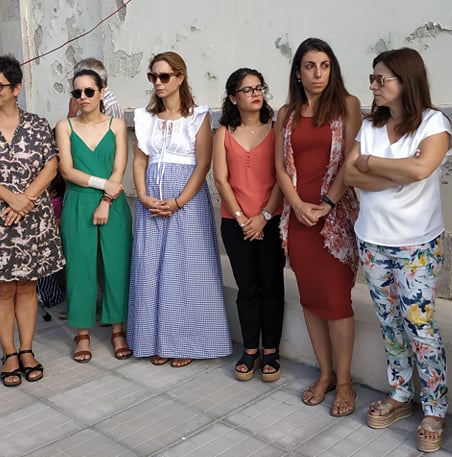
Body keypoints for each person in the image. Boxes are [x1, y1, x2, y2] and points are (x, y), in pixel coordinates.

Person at [344, 48, 452, 452]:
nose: (373, 86)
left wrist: (371, 163)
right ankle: (400, 394)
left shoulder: (432, 123)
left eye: (381, 79)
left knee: (420, 326)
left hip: (416, 243)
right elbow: (349, 174)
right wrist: (397, 171)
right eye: (372, 78)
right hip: (373, 240)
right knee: (389, 323)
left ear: (405, 81)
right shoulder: (370, 125)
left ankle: (435, 408)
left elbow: (422, 169)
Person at [0, 55, 64, 387]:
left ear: (16, 88)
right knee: (3, 288)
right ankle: (8, 352)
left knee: (28, 285)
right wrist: (11, 198)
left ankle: (27, 349)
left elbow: (51, 165)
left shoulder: (37, 124)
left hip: (32, 216)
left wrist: (26, 199)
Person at [275, 37, 361, 416]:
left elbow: (351, 162)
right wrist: (296, 205)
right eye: (310, 66)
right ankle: (325, 374)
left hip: (335, 217)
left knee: (338, 302)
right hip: (298, 218)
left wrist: (326, 204)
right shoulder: (286, 113)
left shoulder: (347, 105)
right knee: (310, 299)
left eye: (325, 65)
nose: (318, 73)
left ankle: (344, 382)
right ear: (298, 71)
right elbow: (280, 167)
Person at [128, 52, 231, 367]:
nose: (158, 83)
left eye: (164, 76)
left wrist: (179, 201)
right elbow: (140, 161)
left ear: (180, 77)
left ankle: (186, 342)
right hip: (152, 201)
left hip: (186, 201)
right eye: (153, 77)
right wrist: (143, 196)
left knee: (185, 270)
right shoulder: (145, 118)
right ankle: (155, 339)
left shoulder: (197, 116)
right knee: (152, 268)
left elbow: (203, 164)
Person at [213, 68, 285, 382]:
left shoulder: (277, 128)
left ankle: (271, 350)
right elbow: (220, 179)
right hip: (236, 224)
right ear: (233, 98)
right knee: (247, 288)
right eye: (247, 90)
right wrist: (243, 218)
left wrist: (264, 216)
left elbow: (283, 176)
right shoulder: (223, 133)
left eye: (259, 87)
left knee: (272, 286)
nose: (256, 94)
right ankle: (250, 350)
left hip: (271, 221)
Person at [56, 68, 132, 362]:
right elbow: (67, 171)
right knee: (79, 268)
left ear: (102, 92)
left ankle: (117, 330)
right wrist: (103, 186)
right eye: (77, 92)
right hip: (78, 202)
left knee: (116, 266)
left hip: (113, 203)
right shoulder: (65, 126)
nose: (83, 97)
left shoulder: (117, 125)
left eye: (89, 91)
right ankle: (82, 333)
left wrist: (106, 200)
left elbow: (119, 169)